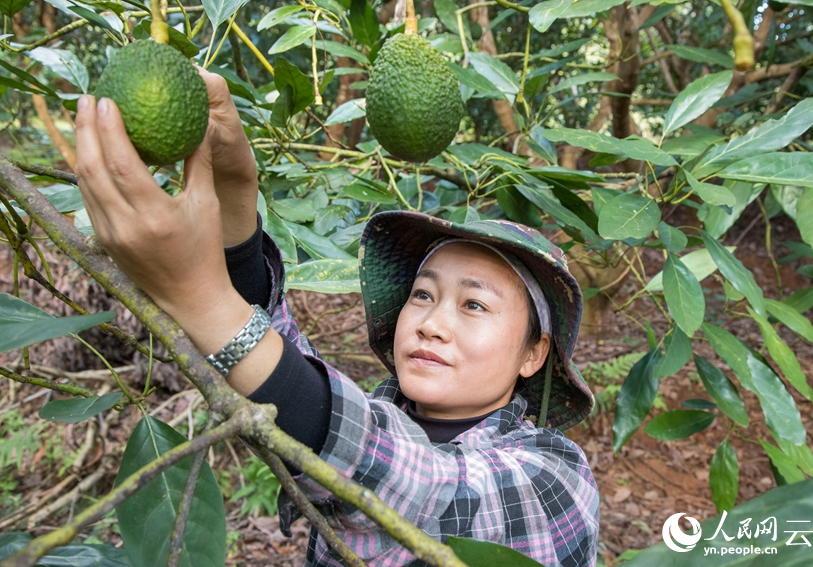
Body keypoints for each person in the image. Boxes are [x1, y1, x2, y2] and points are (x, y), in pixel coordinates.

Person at [74, 65, 600, 566]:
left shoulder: (555, 476)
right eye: (422, 295)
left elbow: (419, 486)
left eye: (474, 304)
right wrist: (235, 198)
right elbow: (285, 365)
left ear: (535, 352)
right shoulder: (380, 413)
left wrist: (200, 297)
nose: (431, 323)